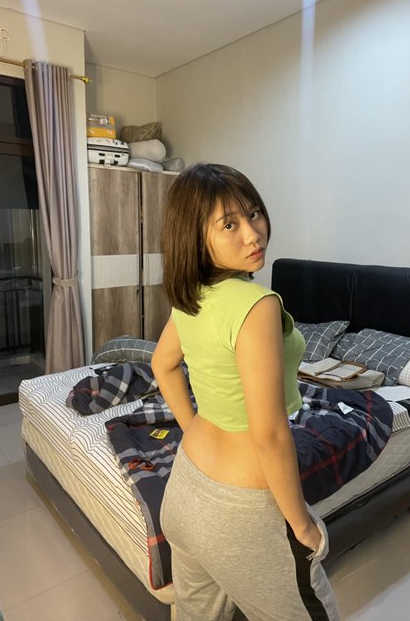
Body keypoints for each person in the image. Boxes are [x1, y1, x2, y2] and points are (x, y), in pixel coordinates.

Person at [152, 163, 338, 621]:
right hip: (241, 512)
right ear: (196, 238)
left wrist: (195, 427)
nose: (253, 234)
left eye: (254, 214)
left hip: (185, 486)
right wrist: (301, 525)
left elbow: (162, 365)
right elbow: (269, 434)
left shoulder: (193, 295)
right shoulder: (257, 305)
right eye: (229, 225)